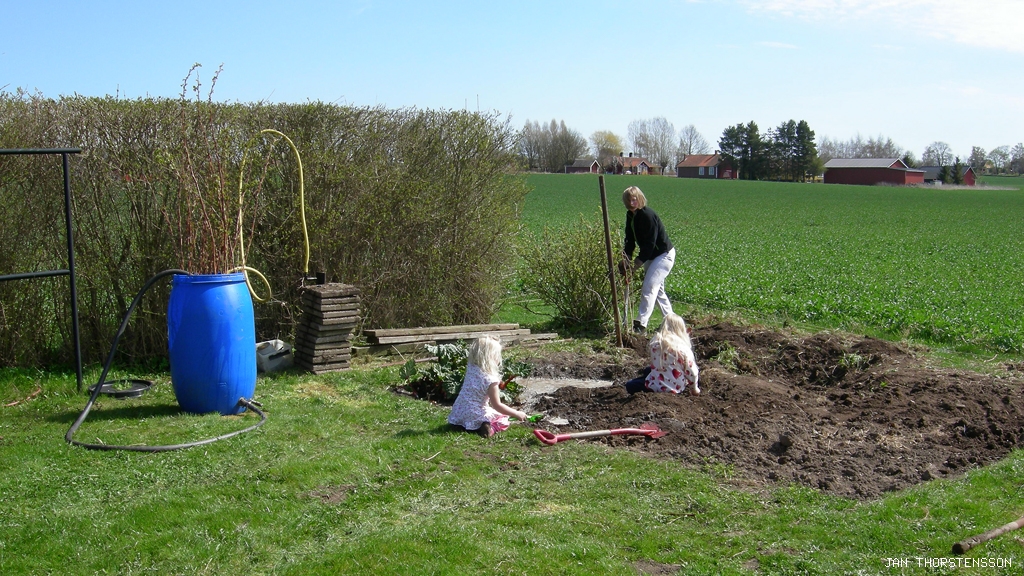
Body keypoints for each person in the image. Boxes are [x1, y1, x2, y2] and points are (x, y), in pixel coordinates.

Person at [448, 336, 530, 437]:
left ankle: (462, 424)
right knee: (503, 418)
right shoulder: (491, 380)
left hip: (459, 411)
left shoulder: (471, 368)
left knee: (481, 411)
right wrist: (517, 413)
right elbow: (497, 405)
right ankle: (490, 429)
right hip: (475, 413)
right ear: (492, 357)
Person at [621, 186, 676, 333]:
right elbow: (630, 240)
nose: (631, 202)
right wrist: (626, 259)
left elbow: (650, 244)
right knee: (658, 293)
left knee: (649, 287)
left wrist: (636, 265)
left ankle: (640, 324)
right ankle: (672, 324)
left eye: (634, 199)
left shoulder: (647, 215)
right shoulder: (630, 216)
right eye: (628, 200)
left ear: (639, 199)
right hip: (651, 256)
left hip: (663, 255)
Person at [624, 313, 700, 396]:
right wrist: (694, 389)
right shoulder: (684, 348)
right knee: (648, 370)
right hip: (677, 389)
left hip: (654, 387)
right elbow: (693, 373)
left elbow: (655, 365)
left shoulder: (655, 343)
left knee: (630, 384)